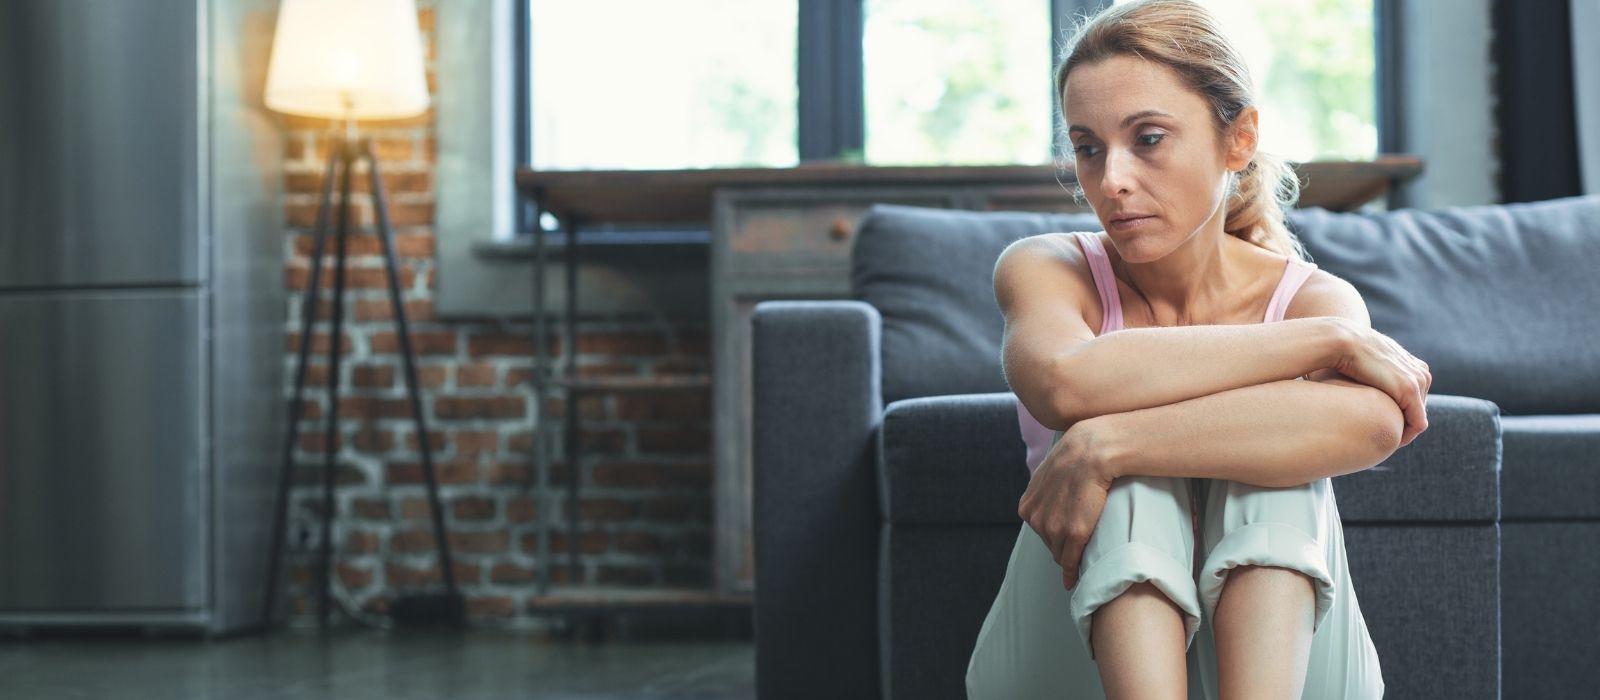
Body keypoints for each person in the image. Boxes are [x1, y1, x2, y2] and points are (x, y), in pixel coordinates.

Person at [964, 1, 1433, 697]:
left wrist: (1108, 444)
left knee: (1256, 468)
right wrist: (1326, 343)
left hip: (1292, 672)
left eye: (1147, 138)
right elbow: (1065, 384)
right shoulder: (1046, 266)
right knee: (1135, 484)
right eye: (1088, 147)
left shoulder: (1311, 295)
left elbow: (1374, 423)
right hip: (1075, 662)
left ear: (1238, 139)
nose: (1111, 180)